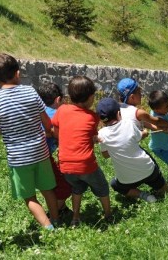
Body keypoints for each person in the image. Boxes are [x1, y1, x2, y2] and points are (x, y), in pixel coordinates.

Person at [0, 53, 59, 230]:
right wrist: (49, 132)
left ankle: (48, 228)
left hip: (18, 158)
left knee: (29, 197)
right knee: (47, 190)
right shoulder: (30, 91)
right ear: (18, 73)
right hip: (41, 151)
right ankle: (56, 219)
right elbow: (46, 121)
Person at [51, 76, 112, 226]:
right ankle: (109, 215)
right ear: (91, 97)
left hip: (65, 166)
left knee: (77, 188)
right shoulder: (92, 117)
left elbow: (56, 132)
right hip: (86, 165)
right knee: (102, 187)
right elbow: (91, 136)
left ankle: (75, 218)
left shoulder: (62, 110)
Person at [96, 97, 168, 203]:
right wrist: (145, 132)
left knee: (114, 184)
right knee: (163, 188)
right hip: (148, 171)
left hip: (126, 179)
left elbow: (105, 155)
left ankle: (143, 195)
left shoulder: (101, 134)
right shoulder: (129, 123)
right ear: (118, 113)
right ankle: (162, 188)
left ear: (102, 120)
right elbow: (140, 136)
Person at [36, 82, 72, 218]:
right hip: (44, 157)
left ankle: (61, 209)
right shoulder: (58, 115)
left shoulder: (37, 112)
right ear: (58, 100)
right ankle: (52, 215)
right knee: (66, 186)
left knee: (52, 185)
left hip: (27, 155)